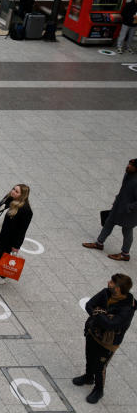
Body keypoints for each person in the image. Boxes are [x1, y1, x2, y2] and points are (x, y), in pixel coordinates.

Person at [72, 274, 135, 404]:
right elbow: (89, 305)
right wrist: (103, 314)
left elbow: (110, 325)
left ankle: (98, 390)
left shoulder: (127, 308)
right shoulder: (106, 293)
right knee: (89, 356)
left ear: (118, 289)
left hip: (108, 342)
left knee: (100, 366)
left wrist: (99, 312)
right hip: (92, 332)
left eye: (112, 282)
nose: (108, 283)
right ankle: (89, 377)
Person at [83, 159, 137, 262]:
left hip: (129, 213)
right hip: (118, 207)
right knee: (108, 223)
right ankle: (99, 243)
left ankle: (125, 254)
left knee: (127, 231)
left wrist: (129, 207)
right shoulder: (128, 175)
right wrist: (118, 199)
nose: (128, 166)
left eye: (132, 165)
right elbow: (124, 189)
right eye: (129, 164)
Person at [0, 184, 33, 286]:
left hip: (9, 238)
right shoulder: (9, 197)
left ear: (22, 195)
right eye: (13, 189)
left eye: (17, 191)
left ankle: (1, 277)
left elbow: (22, 231)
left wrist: (16, 246)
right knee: (0, 250)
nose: (13, 191)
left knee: (5, 254)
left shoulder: (26, 210)